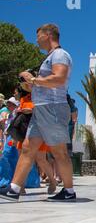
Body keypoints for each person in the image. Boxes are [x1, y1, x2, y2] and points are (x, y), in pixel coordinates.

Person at [1, 24, 76, 202]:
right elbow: (45, 82)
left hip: (53, 108)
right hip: (41, 108)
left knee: (59, 152)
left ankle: (69, 191)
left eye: (38, 35)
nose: (36, 40)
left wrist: (34, 79)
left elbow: (59, 78)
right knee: (27, 148)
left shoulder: (60, 55)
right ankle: (14, 188)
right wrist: (30, 83)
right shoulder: (50, 57)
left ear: (48, 34)